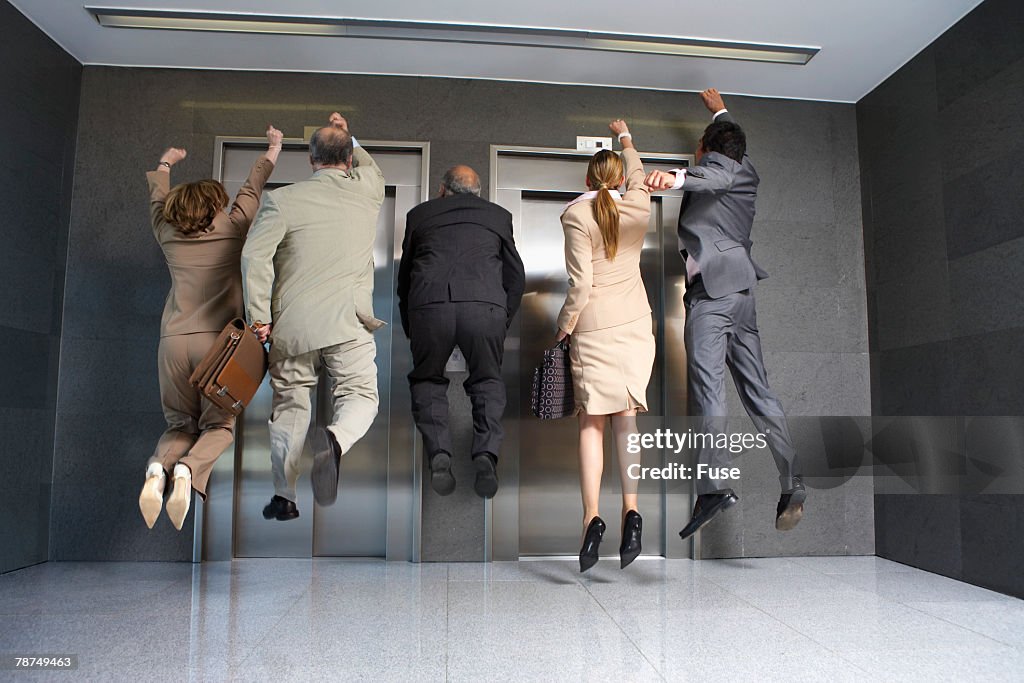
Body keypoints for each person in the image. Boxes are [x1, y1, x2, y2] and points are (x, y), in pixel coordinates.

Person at [645, 88, 806, 540]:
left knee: (708, 387)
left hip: (712, 295)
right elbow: (732, 150)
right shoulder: (746, 167)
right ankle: (791, 477)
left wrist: (675, 178)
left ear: (705, 150)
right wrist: (719, 111)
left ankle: (713, 486)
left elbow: (712, 176)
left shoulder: (717, 167)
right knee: (758, 391)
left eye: (700, 149)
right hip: (742, 292)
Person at [242, 113, 385, 521]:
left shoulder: (282, 200)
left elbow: (254, 257)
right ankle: (335, 442)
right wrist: (348, 131)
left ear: (310, 160)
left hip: (293, 324)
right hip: (349, 322)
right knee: (360, 397)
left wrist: (259, 317)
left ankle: (284, 495)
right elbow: (371, 166)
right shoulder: (368, 191)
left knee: (290, 406)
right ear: (348, 160)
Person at [138, 125, 282, 531]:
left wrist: (167, 162)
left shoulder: (166, 231)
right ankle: (187, 471)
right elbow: (253, 188)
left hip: (173, 343)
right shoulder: (234, 227)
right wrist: (273, 147)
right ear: (216, 204)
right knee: (218, 425)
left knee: (179, 424)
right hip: (219, 348)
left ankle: (157, 469)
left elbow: (157, 199)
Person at [556, 120, 655, 572]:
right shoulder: (638, 206)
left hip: (593, 328)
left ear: (587, 180)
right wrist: (627, 139)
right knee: (626, 421)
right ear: (618, 179)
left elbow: (581, 284)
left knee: (591, 425)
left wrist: (563, 327)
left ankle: (590, 518)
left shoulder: (576, 215)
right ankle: (631, 510)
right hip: (635, 325)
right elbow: (638, 176)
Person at [397, 166, 525, 499]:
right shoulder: (498, 216)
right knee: (487, 380)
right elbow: (516, 277)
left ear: (443, 189)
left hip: (430, 306)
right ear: (478, 192)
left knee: (427, 380)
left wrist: (413, 325)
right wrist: (500, 319)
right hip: (485, 308)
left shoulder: (420, 215)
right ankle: (485, 454)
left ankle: (439, 453)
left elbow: (405, 278)